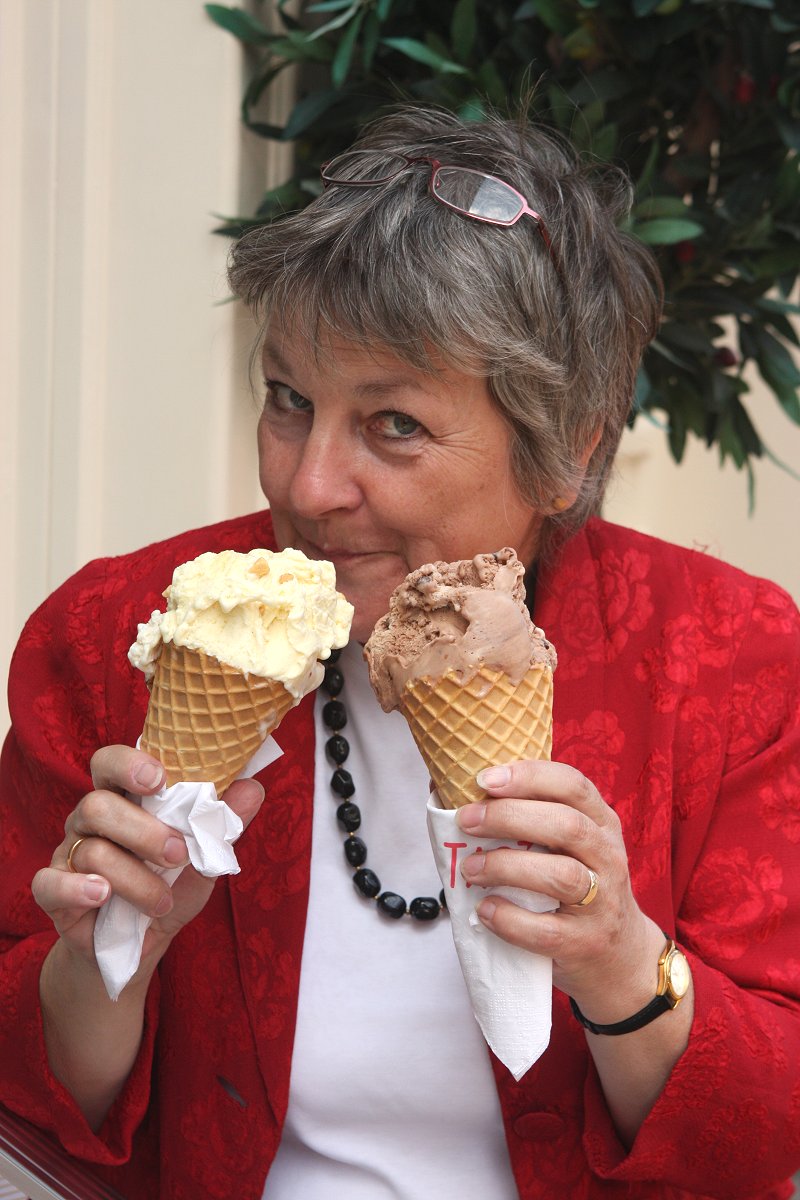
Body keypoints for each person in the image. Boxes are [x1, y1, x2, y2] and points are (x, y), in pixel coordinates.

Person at [1, 105, 799, 1200]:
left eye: (395, 425)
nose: (308, 486)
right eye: (289, 399)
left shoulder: (732, 659)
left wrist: (621, 961)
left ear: (565, 449)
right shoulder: (112, 634)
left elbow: (765, 1137)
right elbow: (32, 1101)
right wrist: (108, 953)